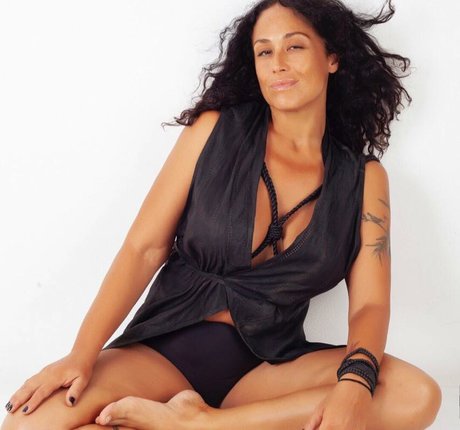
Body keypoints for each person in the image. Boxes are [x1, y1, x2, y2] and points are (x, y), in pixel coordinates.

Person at [2, 0, 442, 429]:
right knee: (27, 425)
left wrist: (355, 383)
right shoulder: (213, 129)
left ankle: (203, 424)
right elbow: (144, 248)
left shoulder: (364, 179)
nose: (277, 64)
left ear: (332, 58)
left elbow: (369, 304)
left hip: (270, 369)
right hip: (164, 352)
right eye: (264, 51)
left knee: (415, 393)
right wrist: (81, 354)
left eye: (294, 46)